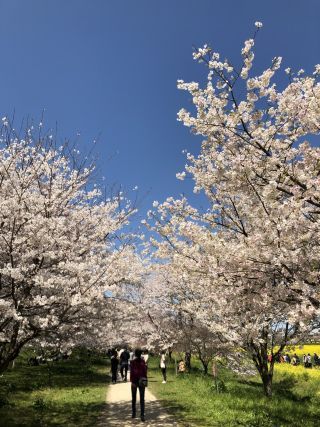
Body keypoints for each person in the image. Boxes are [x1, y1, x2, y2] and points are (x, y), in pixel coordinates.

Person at [130, 348, 147, 422]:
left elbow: (131, 372)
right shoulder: (143, 362)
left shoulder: (133, 362)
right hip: (141, 381)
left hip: (134, 381)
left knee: (134, 398)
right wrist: (145, 379)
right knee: (142, 399)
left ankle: (134, 413)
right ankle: (142, 415)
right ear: (141, 354)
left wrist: (131, 380)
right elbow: (145, 371)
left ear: (135, 354)